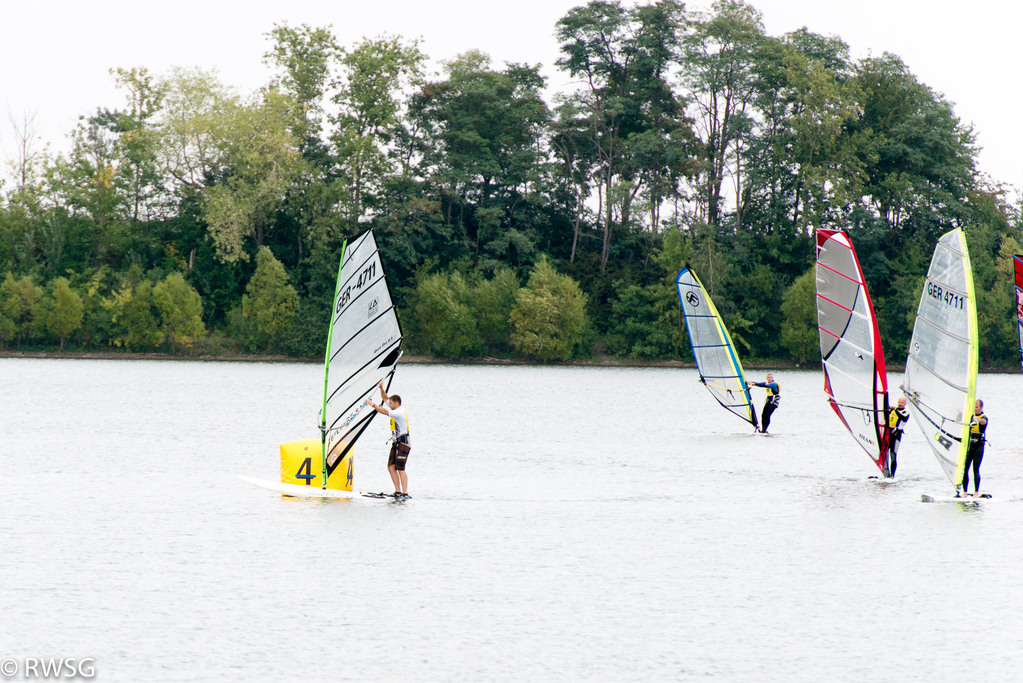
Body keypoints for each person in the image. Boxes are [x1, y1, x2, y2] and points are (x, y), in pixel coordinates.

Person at [364, 381, 411, 499]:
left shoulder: (399, 412)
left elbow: (384, 411)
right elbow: (385, 398)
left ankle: (405, 493)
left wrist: (372, 404)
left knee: (400, 468)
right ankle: (397, 492)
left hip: (404, 442)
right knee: (391, 467)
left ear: (396, 403)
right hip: (396, 442)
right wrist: (381, 388)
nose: (388, 404)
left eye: (390, 403)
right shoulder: (394, 406)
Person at [961, 399, 988, 497]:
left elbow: (983, 422)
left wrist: (977, 420)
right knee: (965, 469)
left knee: (975, 469)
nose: (975, 409)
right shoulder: (970, 416)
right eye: (974, 407)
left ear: (981, 408)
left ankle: (976, 492)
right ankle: (964, 492)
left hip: (978, 446)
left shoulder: (984, 417)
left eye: (976, 407)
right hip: (969, 446)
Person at [886, 397, 910, 477]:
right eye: (899, 402)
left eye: (902, 402)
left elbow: (902, 417)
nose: (900, 403)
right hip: (888, 433)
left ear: (905, 404)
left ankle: (892, 475)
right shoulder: (893, 409)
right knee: (884, 453)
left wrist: (895, 409)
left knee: (893, 454)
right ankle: (886, 472)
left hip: (896, 435)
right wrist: (888, 407)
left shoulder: (906, 412)